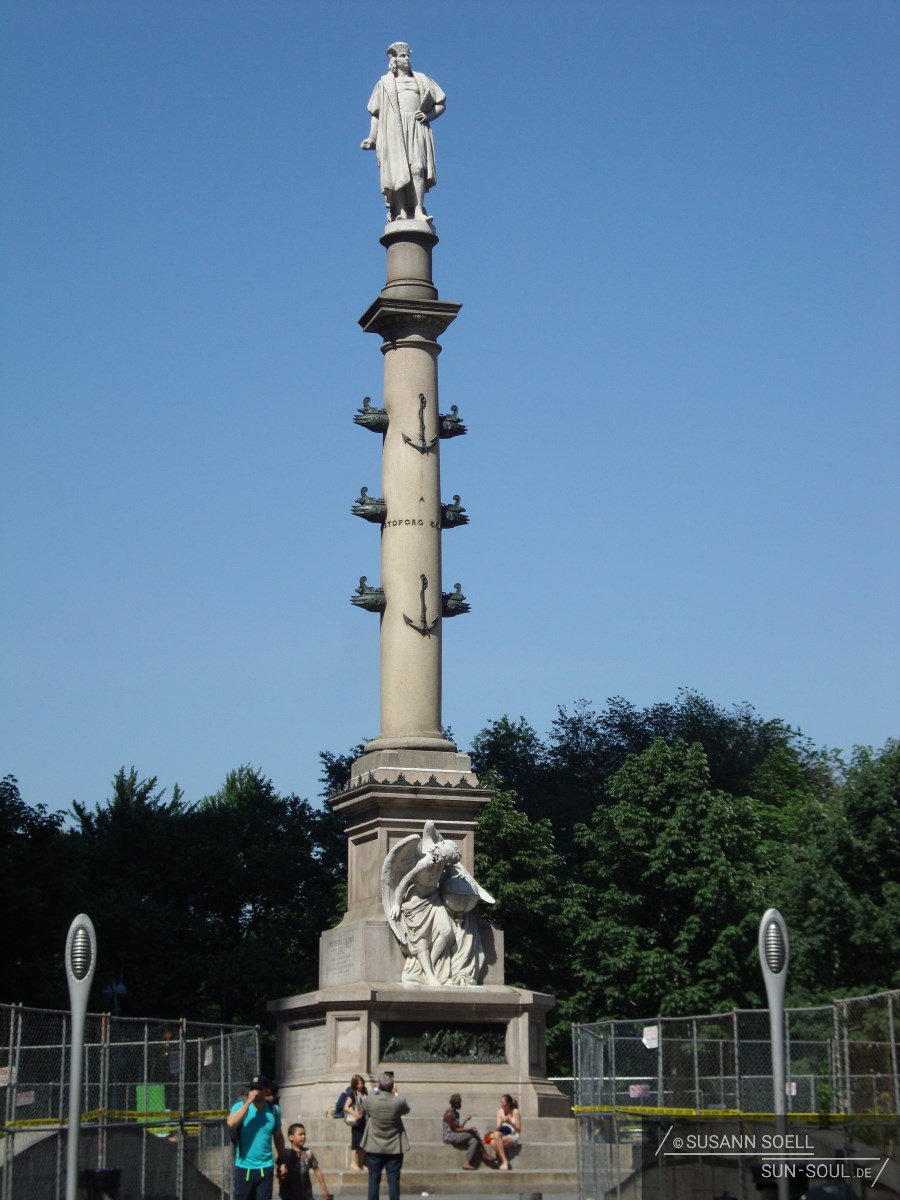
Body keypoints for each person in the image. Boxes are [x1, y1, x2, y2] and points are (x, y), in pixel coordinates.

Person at [361, 41, 445, 223]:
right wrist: (372, 137)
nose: (406, 58)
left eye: (408, 55)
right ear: (394, 60)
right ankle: (400, 211)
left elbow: (440, 103)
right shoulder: (384, 83)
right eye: (402, 56)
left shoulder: (421, 79)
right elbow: (376, 114)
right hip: (393, 130)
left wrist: (428, 115)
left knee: (417, 168)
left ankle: (418, 209)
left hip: (416, 127)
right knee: (397, 170)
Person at [227, 1073, 286, 1200]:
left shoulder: (273, 1110)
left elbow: (278, 1137)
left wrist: (282, 1160)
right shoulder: (240, 1107)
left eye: (259, 1088)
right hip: (244, 1168)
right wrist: (248, 1102)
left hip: (265, 1167)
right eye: (252, 1088)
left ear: (266, 1091)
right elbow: (231, 1123)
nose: (255, 1092)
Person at [360, 1071, 410, 1200]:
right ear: (393, 1086)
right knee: (393, 1180)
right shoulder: (399, 1101)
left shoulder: (370, 1100)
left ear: (378, 1085)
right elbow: (406, 1110)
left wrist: (376, 1089)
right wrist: (395, 1093)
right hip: (394, 1147)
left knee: (373, 1179)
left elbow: (363, 1107)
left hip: (374, 1146)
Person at [277, 1123, 329, 1200]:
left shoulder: (308, 1152)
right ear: (291, 1137)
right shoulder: (286, 1153)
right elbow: (279, 1169)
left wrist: (324, 1189)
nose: (303, 1136)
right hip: (289, 1194)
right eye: (300, 1134)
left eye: (304, 1134)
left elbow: (317, 1170)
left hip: (306, 1195)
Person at [441, 1093, 493, 1170]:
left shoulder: (456, 1113)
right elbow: (454, 1130)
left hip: (456, 1135)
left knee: (474, 1141)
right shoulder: (449, 1113)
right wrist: (469, 1130)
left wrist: (465, 1120)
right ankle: (484, 1152)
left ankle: (467, 1163)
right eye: (459, 1103)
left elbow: (459, 1128)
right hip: (450, 1137)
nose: (460, 1104)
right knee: (474, 1132)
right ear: (455, 1103)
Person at [335, 1074, 368, 1170]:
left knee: (363, 1143)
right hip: (356, 1122)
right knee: (355, 1143)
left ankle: (361, 1163)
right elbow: (345, 1107)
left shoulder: (365, 1092)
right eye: (358, 1084)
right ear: (354, 1084)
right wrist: (354, 1114)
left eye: (361, 1083)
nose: (360, 1085)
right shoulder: (352, 1094)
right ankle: (353, 1163)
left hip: (364, 1120)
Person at [490, 1094, 521, 1170]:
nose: (501, 1104)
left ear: (508, 1104)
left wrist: (511, 1123)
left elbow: (518, 1129)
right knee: (492, 1141)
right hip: (503, 1134)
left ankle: (503, 1162)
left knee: (495, 1141)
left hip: (513, 1135)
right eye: (500, 1102)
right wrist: (501, 1121)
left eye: (502, 1102)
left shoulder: (515, 1112)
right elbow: (497, 1128)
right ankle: (505, 1161)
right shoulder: (499, 1112)